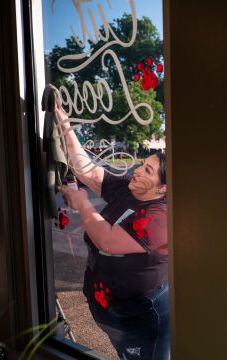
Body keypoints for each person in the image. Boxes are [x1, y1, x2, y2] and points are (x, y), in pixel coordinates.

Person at [56, 107, 169, 360]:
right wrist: (64, 126)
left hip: (139, 316)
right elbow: (87, 171)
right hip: (111, 311)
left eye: (147, 171)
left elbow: (107, 240)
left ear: (163, 189)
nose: (137, 171)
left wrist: (83, 204)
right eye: (142, 165)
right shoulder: (132, 188)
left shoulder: (161, 217)